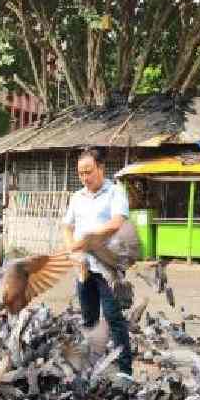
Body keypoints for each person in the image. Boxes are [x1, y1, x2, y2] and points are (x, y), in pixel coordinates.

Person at [62, 148, 134, 375]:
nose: (84, 178)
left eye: (88, 172)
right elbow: (67, 226)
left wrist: (87, 239)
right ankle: (93, 366)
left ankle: (125, 370)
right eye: (80, 173)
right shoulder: (77, 197)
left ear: (101, 168)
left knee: (113, 316)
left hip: (108, 268)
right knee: (89, 319)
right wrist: (72, 250)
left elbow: (116, 223)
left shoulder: (115, 192)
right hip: (83, 268)